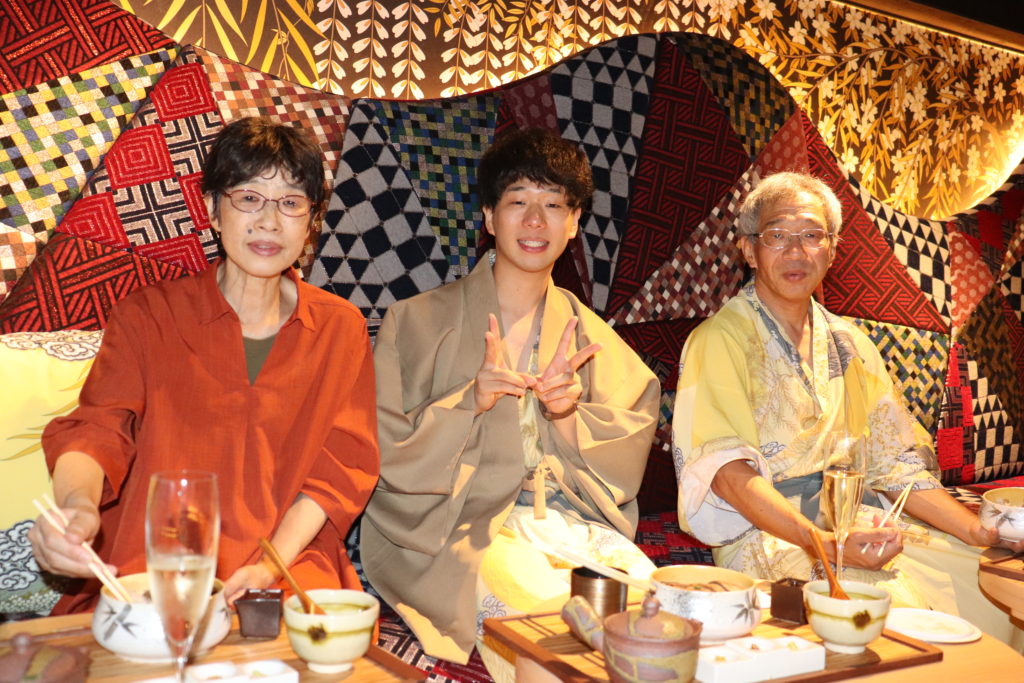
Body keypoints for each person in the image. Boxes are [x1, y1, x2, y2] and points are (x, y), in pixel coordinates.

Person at [29, 117, 379, 613]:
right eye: (249, 198)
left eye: (290, 203)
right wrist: (77, 509)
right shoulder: (148, 316)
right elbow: (97, 430)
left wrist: (269, 567)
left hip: (287, 567)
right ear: (213, 209)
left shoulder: (340, 328)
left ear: (311, 221)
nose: (269, 221)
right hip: (155, 563)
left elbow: (341, 470)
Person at [673, 171, 1024, 644]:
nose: (796, 252)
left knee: (993, 579)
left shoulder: (852, 344)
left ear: (832, 249)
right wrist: (824, 542)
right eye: (777, 236)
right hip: (771, 534)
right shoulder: (718, 340)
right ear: (749, 250)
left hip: (856, 522)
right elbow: (727, 476)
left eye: (812, 235)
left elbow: (895, 467)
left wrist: (977, 532)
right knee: (894, 615)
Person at [360, 127, 660, 667]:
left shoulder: (593, 337)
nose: (535, 221)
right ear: (489, 217)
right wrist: (468, 403)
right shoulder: (416, 322)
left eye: (554, 205)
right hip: (464, 528)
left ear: (574, 222)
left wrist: (567, 416)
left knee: (654, 619)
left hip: (571, 524)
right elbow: (384, 447)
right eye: (518, 202)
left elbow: (630, 439)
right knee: (548, 629)